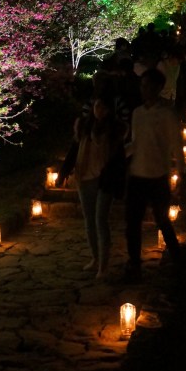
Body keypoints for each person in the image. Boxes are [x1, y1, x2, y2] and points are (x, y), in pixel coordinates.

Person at [123, 68, 184, 282]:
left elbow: (177, 146)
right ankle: (134, 264)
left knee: (162, 220)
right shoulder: (138, 113)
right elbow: (136, 142)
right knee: (132, 223)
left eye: (149, 85)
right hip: (137, 174)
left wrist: (181, 175)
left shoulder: (167, 114)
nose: (144, 89)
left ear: (158, 88)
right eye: (142, 85)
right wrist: (118, 153)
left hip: (158, 175)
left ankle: (179, 261)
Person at [58, 94, 126, 280]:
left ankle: (103, 266)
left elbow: (119, 159)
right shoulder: (84, 127)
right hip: (85, 177)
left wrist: (120, 184)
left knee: (100, 220)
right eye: (97, 106)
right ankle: (95, 258)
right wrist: (64, 172)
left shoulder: (114, 130)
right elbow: (73, 151)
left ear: (110, 110)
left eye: (104, 107)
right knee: (89, 221)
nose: (99, 110)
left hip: (105, 180)